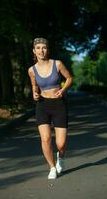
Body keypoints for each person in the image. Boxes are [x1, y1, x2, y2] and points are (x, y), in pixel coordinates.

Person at [28, 38, 73, 179]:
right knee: (46, 139)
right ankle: (52, 167)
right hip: (42, 105)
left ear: (48, 49)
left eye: (44, 47)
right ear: (34, 51)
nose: (41, 50)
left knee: (61, 143)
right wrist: (34, 94)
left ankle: (61, 158)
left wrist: (64, 90)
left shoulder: (57, 64)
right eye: (38, 48)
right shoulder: (31, 70)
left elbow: (70, 78)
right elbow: (35, 86)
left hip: (59, 104)